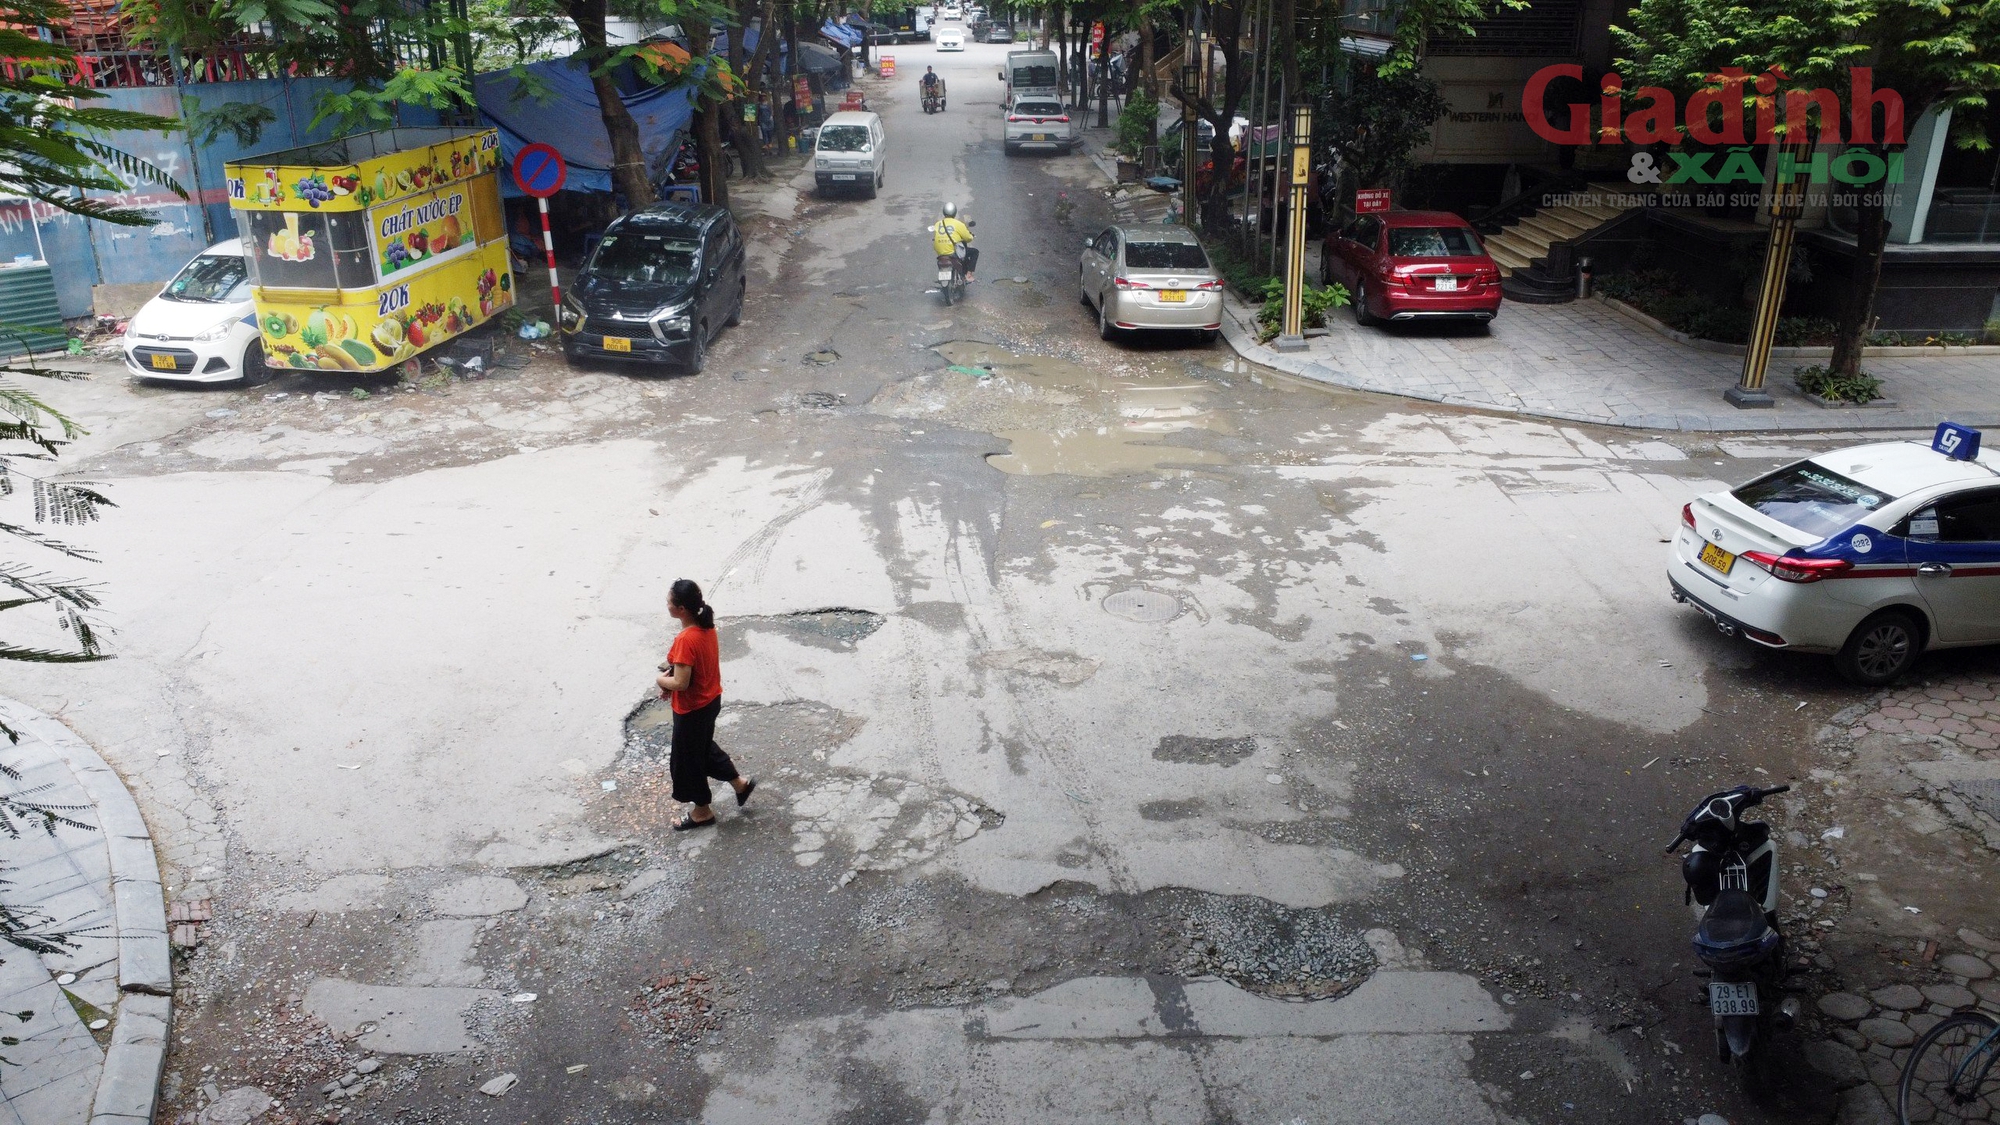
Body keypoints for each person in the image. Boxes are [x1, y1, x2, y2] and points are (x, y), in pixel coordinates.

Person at [655, 579, 754, 830]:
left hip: (692, 708)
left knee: (687, 762)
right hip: (710, 700)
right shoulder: (705, 627)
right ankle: (739, 784)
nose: (666, 604)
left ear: (681, 610)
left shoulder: (686, 639)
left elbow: (682, 682)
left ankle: (702, 812)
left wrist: (661, 681)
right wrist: (671, 676)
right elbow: (687, 668)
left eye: (669, 601)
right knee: (702, 748)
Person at [931, 200, 975, 282]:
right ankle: (968, 274)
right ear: (954, 212)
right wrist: (971, 236)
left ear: (944, 212)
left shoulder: (938, 224)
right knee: (974, 252)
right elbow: (968, 238)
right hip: (952, 252)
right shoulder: (959, 224)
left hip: (940, 252)